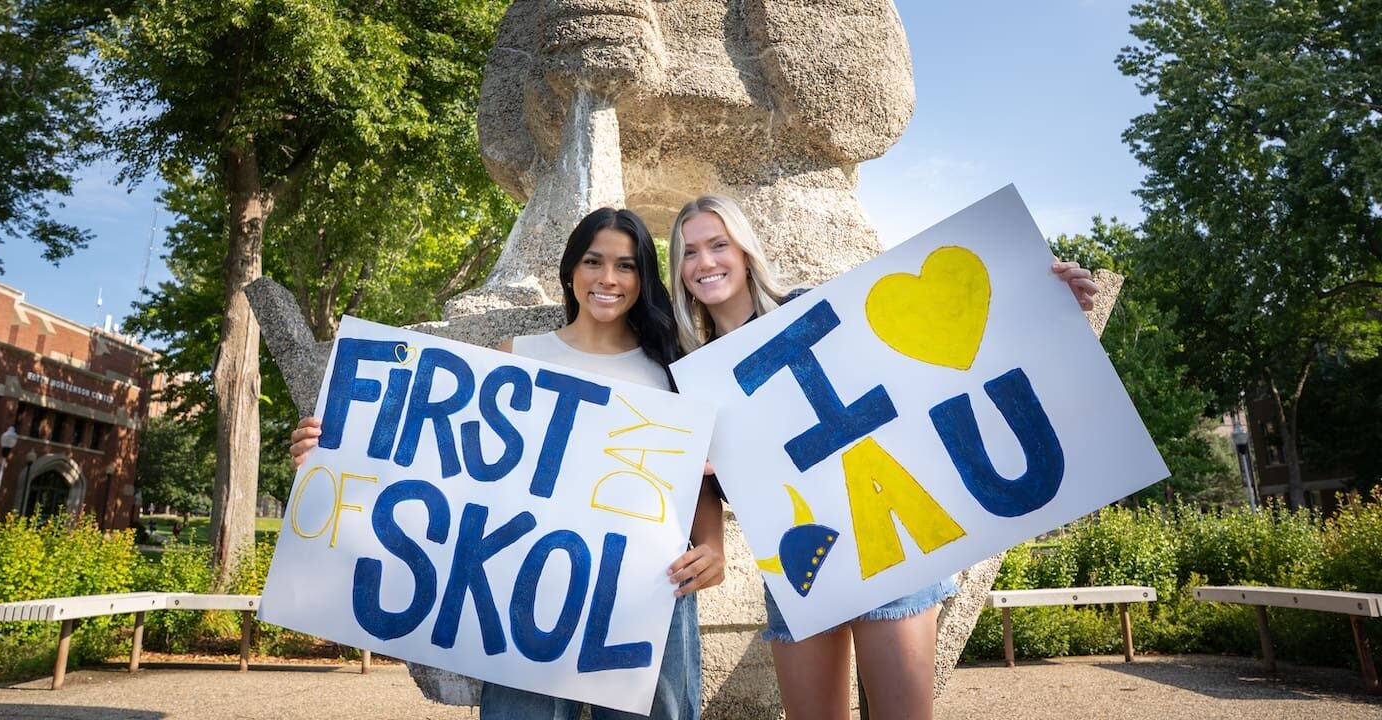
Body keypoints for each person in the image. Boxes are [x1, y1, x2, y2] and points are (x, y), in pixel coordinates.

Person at [667, 194, 1098, 720]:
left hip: (887, 539)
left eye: (718, 245)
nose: (705, 262)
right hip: (799, 559)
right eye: (690, 252)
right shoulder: (690, 370)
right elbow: (701, 481)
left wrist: (1050, 306)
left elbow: (921, 374)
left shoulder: (810, 308)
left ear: (744, 250)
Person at [290, 207, 724, 720]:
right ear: (570, 270)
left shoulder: (671, 370)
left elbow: (696, 478)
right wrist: (333, 451)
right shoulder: (517, 356)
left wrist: (714, 547)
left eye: (626, 266)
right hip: (523, 596)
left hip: (646, 590)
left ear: (643, 278)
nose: (608, 278)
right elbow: (447, 467)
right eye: (593, 261)